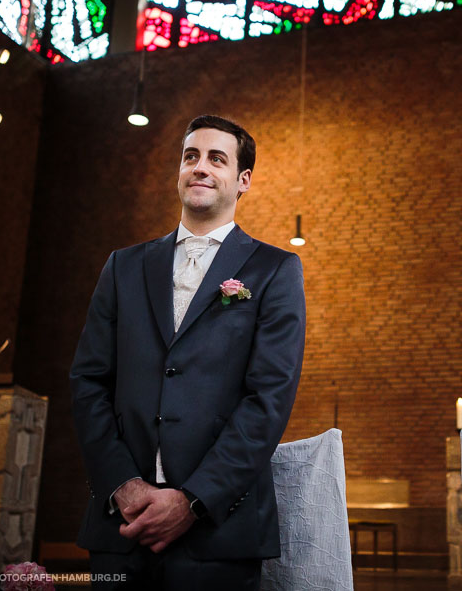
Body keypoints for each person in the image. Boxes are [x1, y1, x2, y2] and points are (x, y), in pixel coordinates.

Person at [69, 114, 306, 590]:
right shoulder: (124, 266)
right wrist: (124, 485)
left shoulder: (275, 270)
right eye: (190, 156)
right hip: (122, 526)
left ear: (243, 181)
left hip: (220, 532)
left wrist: (193, 500)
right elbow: (88, 381)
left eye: (217, 158)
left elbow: (269, 399)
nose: (200, 167)